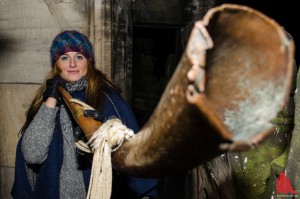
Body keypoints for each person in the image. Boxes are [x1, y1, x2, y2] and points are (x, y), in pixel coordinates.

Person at [11, 30, 158, 199]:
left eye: (79, 57)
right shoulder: (45, 100)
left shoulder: (107, 98)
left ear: (88, 62)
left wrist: (105, 134)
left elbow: (133, 150)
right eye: (65, 57)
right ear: (56, 64)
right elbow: (32, 154)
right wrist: (51, 99)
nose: (72, 64)